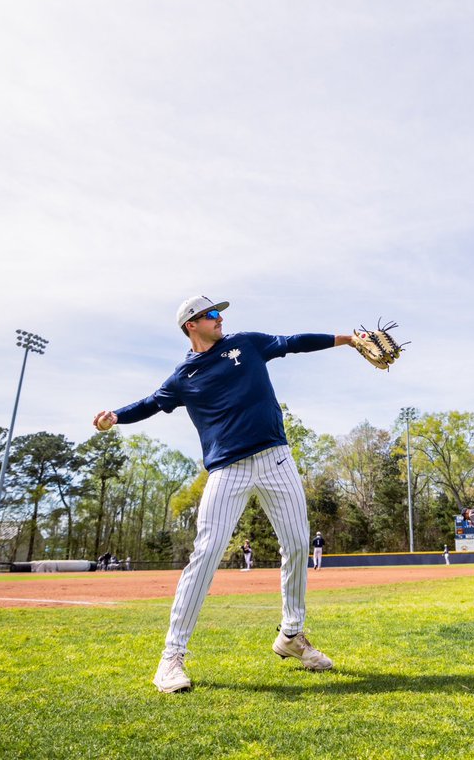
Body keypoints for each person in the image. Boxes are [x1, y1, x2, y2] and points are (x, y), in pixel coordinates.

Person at [92, 294, 363, 694]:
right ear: (191, 325)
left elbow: (294, 342)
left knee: (296, 544)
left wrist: (348, 339)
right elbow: (151, 403)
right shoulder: (183, 377)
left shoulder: (246, 343)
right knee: (206, 554)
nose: (220, 318)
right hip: (226, 471)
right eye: (212, 314)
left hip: (276, 459)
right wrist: (116, 416)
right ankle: (172, 657)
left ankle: (292, 634)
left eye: (219, 312)